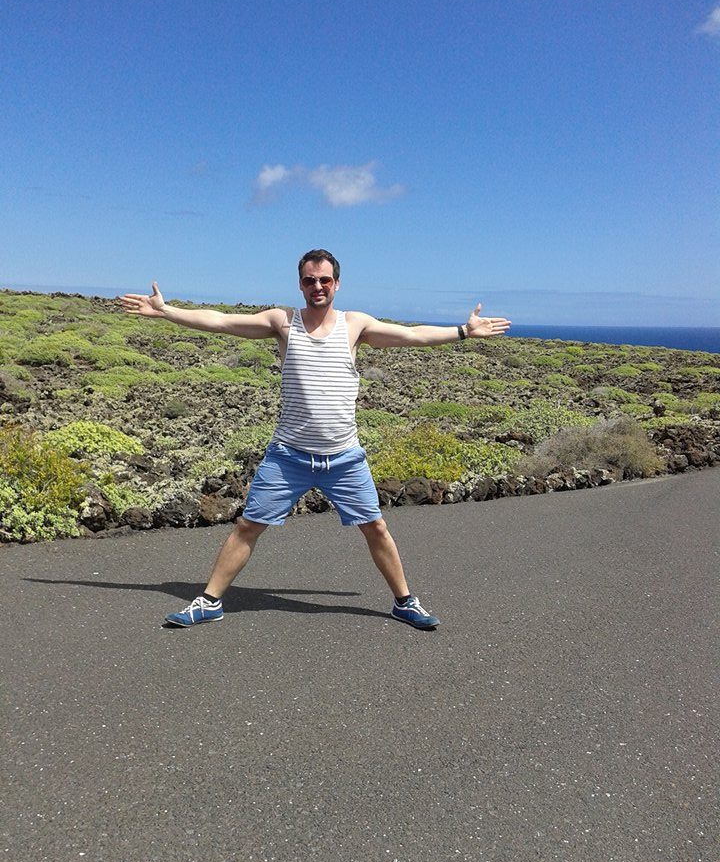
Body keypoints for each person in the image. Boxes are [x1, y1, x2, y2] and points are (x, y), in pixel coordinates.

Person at [120, 249, 511, 631]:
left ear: (337, 284)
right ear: (300, 284)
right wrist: (166, 311)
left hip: (343, 458)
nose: (317, 286)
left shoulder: (354, 325)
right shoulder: (282, 321)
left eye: (325, 280)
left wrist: (463, 331)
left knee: (375, 527)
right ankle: (209, 602)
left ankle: (405, 602)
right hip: (288, 456)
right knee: (248, 526)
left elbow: (412, 335)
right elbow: (221, 321)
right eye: (310, 280)